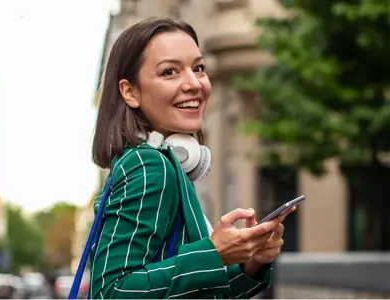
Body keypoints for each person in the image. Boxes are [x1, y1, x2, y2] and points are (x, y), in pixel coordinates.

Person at [90, 17, 295, 299]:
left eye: (198, 68)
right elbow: (112, 292)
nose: (194, 83)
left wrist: (250, 265)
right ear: (130, 92)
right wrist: (213, 253)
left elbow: (191, 292)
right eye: (170, 72)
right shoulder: (151, 167)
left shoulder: (164, 165)